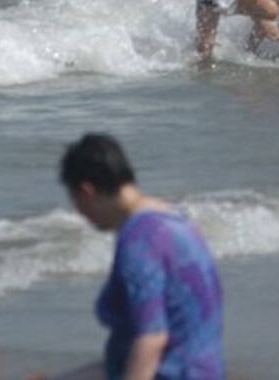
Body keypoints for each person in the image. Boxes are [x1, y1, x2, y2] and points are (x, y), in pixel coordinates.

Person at [58, 133, 225, 379]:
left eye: (76, 202)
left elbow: (152, 338)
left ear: (87, 191)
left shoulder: (139, 240)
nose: (80, 213)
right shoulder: (177, 222)